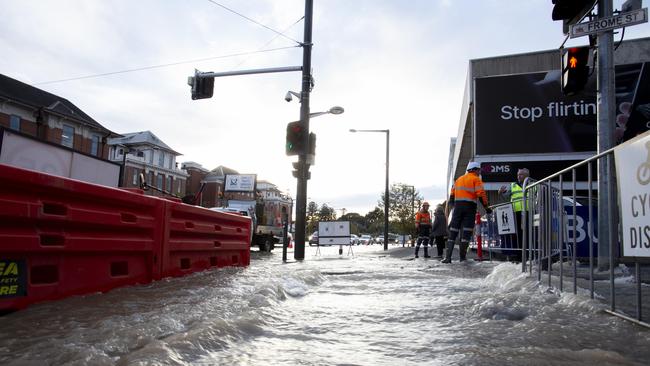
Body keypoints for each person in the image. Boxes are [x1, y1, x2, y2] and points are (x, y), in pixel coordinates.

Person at [442, 161, 490, 263]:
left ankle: (448, 258)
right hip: (469, 208)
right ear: (474, 170)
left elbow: (451, 195)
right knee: (466, 232)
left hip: (458, 207)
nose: (479, 172)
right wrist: (487, 207)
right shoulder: (476, 179)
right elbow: (481, 194)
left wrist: (454, 206)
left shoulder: (459, 179)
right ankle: (462, 258)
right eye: (478, 170)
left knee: (453, 232)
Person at [498, 168, 530, 260]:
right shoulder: (513, 185)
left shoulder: (533, 184)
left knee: (529, 234)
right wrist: (500, 193)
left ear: (527, 176)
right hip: (516, 214)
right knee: (518, 235)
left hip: (529, 213)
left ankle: (528, 255)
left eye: (521, 175)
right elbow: (505, 198)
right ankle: (520, 255)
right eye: (518, 174)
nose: (518, 176)